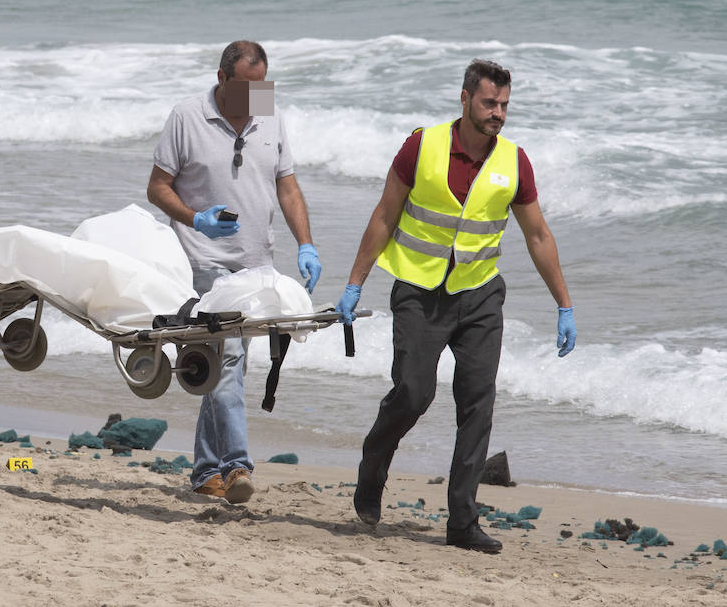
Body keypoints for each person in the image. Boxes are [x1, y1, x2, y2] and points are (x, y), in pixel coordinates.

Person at [337, 58, 576, 554]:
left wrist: (564, 305)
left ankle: (462, 522)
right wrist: (355, 282)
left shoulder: (514, 160)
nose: (498, 113)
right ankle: (373, 464)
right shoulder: (421, 146)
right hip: (419, 291)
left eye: (505, 105)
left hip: (481, 293)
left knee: (477, 404)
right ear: (464, 98)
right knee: (412, 392)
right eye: (490, 102)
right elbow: (385, 215)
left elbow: (538, 235)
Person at [147, 40, 321, 504]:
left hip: (256, 265)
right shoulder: (187, 116)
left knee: (227, 367)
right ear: (222, 79)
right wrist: (193, 217)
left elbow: (287, 186)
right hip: (203, 262)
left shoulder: (271, 114)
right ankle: (237, 464)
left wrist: (306, 243)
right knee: (226, 364)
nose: (254, 98)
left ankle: (205, 470)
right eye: (245, 87)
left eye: (261, 87)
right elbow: (157, 187)